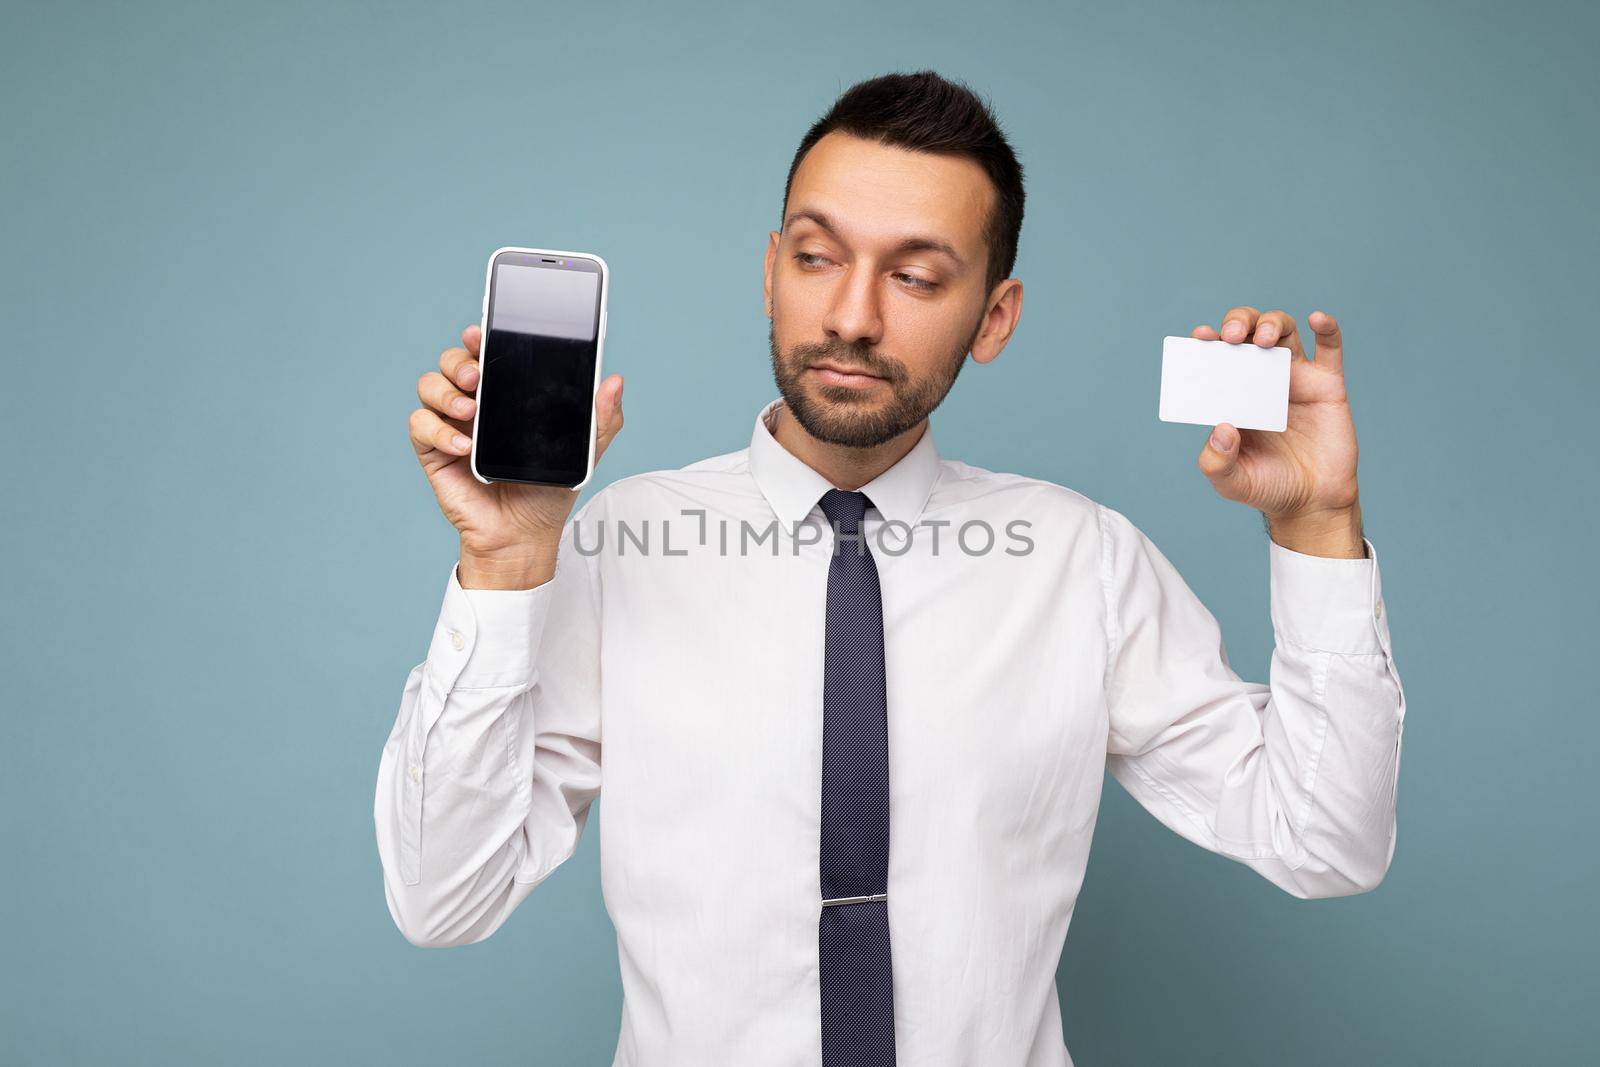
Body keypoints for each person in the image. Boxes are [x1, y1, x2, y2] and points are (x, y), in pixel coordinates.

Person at [374, 70, 1406, 1067]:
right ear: (770, 269)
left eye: (914, 276)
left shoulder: (1081, 561)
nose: (853, 316)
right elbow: (441, 897)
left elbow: (1324, 841)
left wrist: (1319, 524)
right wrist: (504, 563)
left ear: (992, 317)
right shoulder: (616, 543)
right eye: (818, 258)